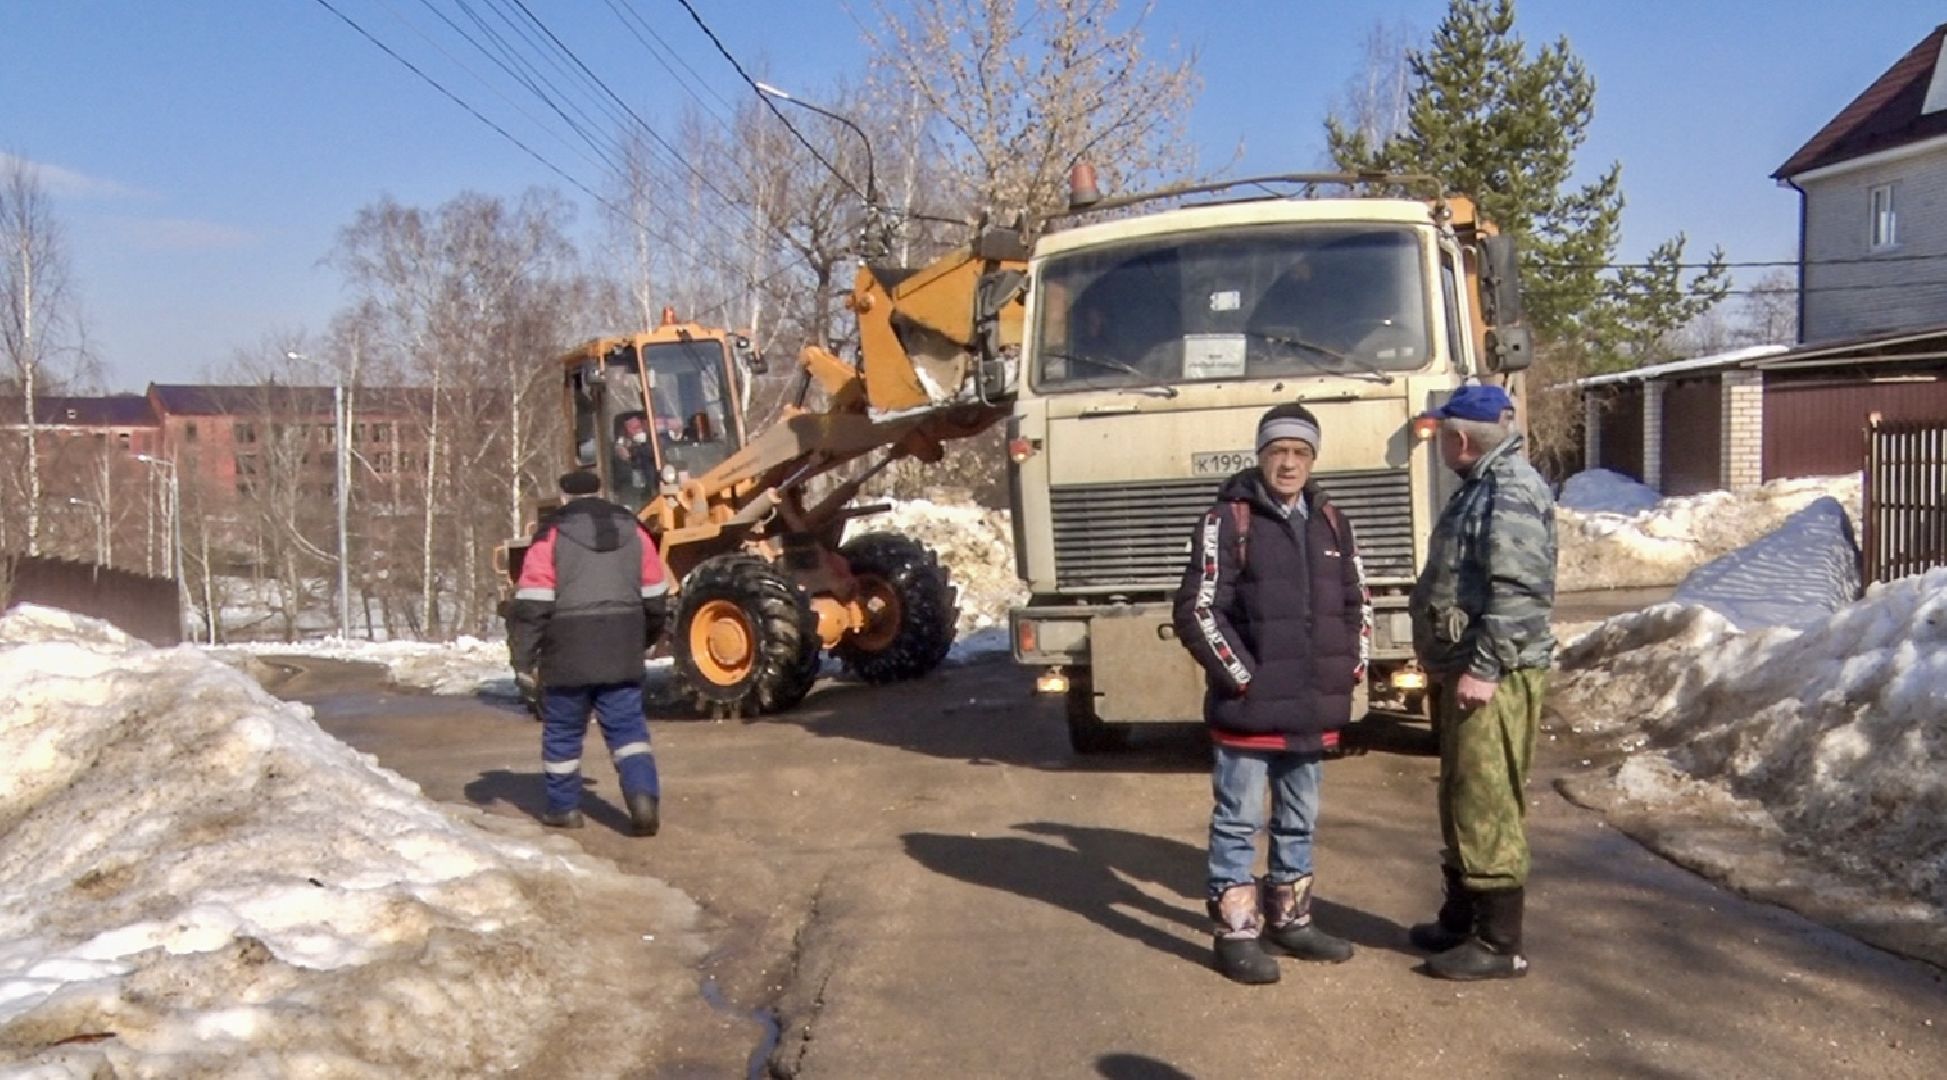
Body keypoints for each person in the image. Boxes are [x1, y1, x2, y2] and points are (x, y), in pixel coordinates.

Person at [1171, 402, 1372, 985]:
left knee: (1299, 820)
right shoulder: (1226, 521)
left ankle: (1291, 920)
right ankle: (1236, 932)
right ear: (1260, 456)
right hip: (1249, 710)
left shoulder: (1332, 521)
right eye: (1278, 451)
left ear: (1313, 459)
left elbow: (1358, 601)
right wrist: (1244, 677)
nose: (1289, 463)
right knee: (1238, 821)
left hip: (1312, 706)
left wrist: (1351, 668)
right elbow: (1197, 610)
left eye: (1300, 453)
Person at [1406, 383, 1557, 981]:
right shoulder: (1481, 485)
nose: (1440, 444)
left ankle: (1498, 943)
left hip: (1495, 674)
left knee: (1488, 799)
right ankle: (1462, 917)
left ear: (1461, 440)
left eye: (1443, 434)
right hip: (1468, 668)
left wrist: (1486, 667)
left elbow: (1519, 593)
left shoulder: (1509, 489)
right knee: (1461, 793)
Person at [509, 469, 671, 836]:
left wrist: (523, 659)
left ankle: (564, 809)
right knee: (628, 731)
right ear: (601, 491)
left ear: (564, 496)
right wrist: (643, 637)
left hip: (567, 651)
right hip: (621, 645)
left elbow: (533, 604)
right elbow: (655, 595)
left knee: (563, 733)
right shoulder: (634, 531)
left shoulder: (550, 535)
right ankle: (643, 801)